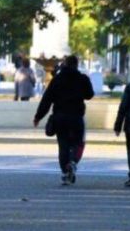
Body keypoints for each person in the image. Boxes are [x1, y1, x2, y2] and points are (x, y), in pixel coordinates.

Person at [33, 55, 94, 185]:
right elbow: (89, 95)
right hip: (76, 117)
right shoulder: (82, 79)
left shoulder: (57, 79)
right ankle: (73, 162)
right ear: (77, 65)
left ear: (64, 65)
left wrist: (38, 116)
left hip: (60, 117)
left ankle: (65, 172)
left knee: (63, 145)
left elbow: (47, 99)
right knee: (78, 143)